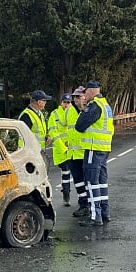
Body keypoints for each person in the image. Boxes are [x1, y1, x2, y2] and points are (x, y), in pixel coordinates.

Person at [75, 80, 114, 226]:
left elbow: (79, 126)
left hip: (93, 148)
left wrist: (83, 109)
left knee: (91, 182)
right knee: (102, 182)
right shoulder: (106, 105)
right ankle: (104, 213)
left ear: (91, 91)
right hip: (104, 149)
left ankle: (94, 216)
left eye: (85, 92)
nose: (84, 95)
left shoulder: (94, 106)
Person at [66, 86, 89, 217]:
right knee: (78, 181)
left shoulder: (88, 111)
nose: (75, 99)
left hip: (84, 152)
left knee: (88, 181)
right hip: (72, 153)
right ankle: (83, 204)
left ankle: (88, 204)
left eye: (78, 97)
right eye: (74, 97)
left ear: (85, 97)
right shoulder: (70, 111)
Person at [48, 93, 72, 206]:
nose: (67, 104)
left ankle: (71, 195)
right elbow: (53, 134)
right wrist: (63, 148)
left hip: (72, 149)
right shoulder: (54, 115)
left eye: (69, 102)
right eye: (65, 102)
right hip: (61, 150)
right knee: (66, 172)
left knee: (75, 174)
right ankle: (66, 194)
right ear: (61, 102)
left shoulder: (73, 113)